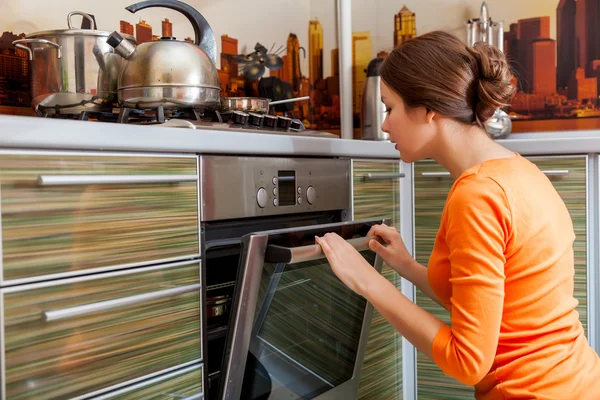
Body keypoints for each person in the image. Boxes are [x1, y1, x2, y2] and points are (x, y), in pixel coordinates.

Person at [315, 30, 600, 399]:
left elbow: (468, 360)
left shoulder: (476, 196)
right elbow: (496, 304)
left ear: (428, 109)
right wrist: (406, 266)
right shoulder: (518, 171)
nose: (385, 125)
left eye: (390, 108)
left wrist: (367, 282)